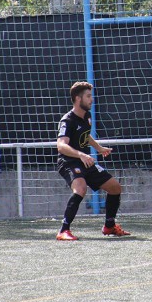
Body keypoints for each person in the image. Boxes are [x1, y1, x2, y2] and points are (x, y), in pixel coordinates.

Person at [56, 82, 130, 240]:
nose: (92, 99)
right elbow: (61, 146)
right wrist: (81, 155)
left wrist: (99, 148)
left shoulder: (86, 116)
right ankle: (63, 230)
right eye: (88, 96)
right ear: (78, 98)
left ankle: (109, 226)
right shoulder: (67, 120)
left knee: (115, 187)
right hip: (69, 162)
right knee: (80, 189)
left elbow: (85, 135)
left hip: (85, 161)